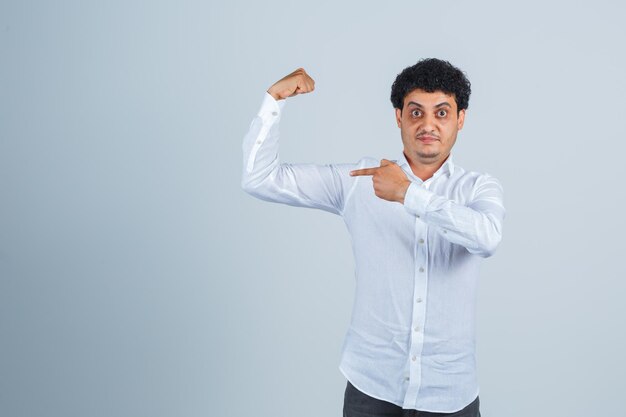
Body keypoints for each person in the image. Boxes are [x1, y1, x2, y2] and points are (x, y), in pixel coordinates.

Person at [240, 58, 504, 417]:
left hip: (449, 394)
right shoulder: (359, 182)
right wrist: (274, 100)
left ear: (460, 119)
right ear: (398, 117)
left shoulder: (478, 188)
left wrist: (407, 194)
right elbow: (260, 179)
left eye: (441, 113)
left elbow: (487, 238)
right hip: (371, 388)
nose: (428, 124)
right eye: (416, 113)